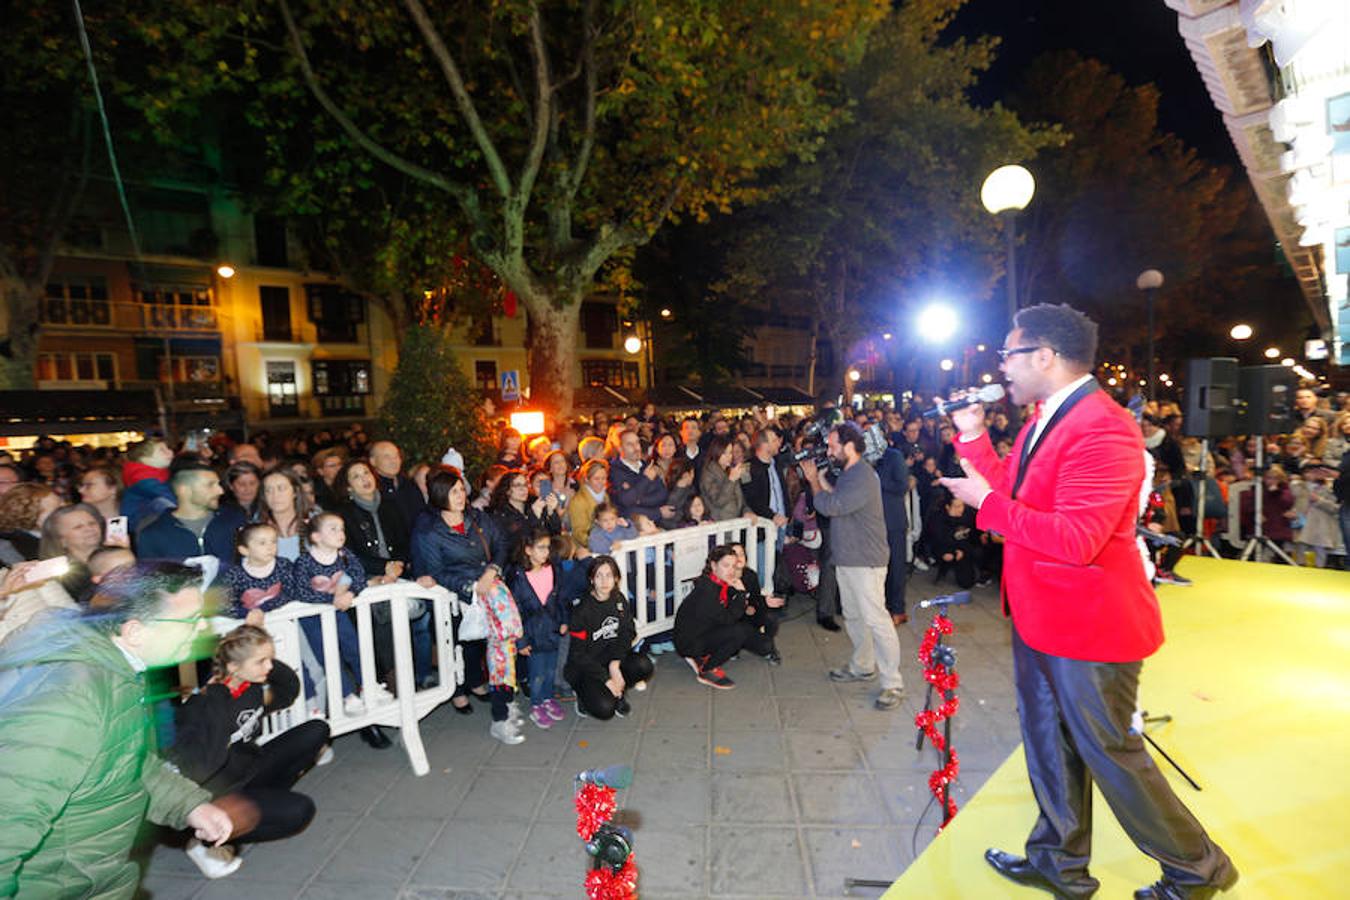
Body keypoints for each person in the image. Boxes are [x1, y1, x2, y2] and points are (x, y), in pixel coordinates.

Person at [938, 303, 1236, 899]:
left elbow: (1077, 538)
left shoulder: (1103, 427)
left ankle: (1199, 869)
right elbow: (1018, 492)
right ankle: (1058, 861)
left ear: (1044, 356)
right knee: (1050, 744)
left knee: (1110, 754)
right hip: (1039, 617)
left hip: (1090, 628)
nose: (1002, 367)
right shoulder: (1045, 417)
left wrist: (985, 506)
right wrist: (972, 438)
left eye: (1008, 354)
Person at [0, 562, 237, 898]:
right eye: (189, 621)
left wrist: (187, 804)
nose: (201, 628)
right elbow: (7, 827)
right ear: (135, 632)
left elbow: (122, 760)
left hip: (91, 878)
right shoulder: (69, 700)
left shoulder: (113, 669)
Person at [167, 625, 329, 879]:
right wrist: (218, 695)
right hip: (218, 793)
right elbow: (203, 766)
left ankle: (262, 804)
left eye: (270, 660)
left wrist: (263, 652)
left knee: (317, 730)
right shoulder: (203, 706)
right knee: (300, 811)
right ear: (233, 667)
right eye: (261, 662)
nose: (269, 668)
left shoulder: (250, 686)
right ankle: (205, 842)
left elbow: (288, 692)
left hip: (248, 769)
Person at [799, 423, 905, 710]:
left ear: (848, 446)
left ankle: (892, 683)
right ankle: (862, 665)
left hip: (866, 561)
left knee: (876, 620)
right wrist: (823, 481)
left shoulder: (862, 475)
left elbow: (832, 506)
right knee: (855, 617)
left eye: (833, 446)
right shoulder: (849, 474)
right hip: (848, 558)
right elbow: (840, 500)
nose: (829, 451)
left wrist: (813, 482)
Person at [410, 468, 509, 720]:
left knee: (477, 641)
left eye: (462, 489)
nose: (461, 495)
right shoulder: (430, 530)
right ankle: (456, 689)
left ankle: (475, 681)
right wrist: (470, 587)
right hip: (455, 597)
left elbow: (501, 544)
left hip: (487, 588)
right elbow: (436, 571)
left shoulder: (477, 518)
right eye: (454, 491)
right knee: (455, 643)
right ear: (440, 494)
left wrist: (492, 570)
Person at [287, 512, 395, 723]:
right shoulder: (304, 562)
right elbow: (301, 591)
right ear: (316, 537)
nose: (340, 533)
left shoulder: (345, 555)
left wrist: (350, 593)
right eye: (333, 529)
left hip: (339, 614)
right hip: (313, 621)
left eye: (342, 529)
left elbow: (358, 577)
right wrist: (331, 599)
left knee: (354, 648)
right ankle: (347, 695)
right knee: (328, 657)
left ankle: (368, 685)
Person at [508, 528, 589, 728]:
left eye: (547, 547)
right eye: (541, 548)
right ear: (528, 550)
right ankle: (537, 704)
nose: (546, 552)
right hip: (532, 633)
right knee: (537, 672)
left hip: (552, 630)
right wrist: (521, 640)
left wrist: (563, 620)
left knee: (552, 669)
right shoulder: (518, 576)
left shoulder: (552, 569)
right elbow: (515, 610)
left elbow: (560, 598)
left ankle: (548, 698)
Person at [673, 546, 779, 689]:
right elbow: (729, 619)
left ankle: (766, 648)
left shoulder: (718, 583)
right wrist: (741, 594)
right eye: (726, 565)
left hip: (704, 631)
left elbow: (732, 613)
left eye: (733, 566)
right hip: (689, 643)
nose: (730, 570)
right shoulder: (707, 590)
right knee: (739, 632)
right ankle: (706, 669)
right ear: (713, 565)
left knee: (758, 641)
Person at [564, 555, 652, 719]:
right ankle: (583, 695)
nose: (604, 581)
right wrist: (606, 679)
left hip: (609, 659)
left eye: (609, 575)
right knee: (605, 709)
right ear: (591, 579)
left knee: (644, 666)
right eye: (599, 576)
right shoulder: (582, 610)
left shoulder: (619, 600)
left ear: (616, 578)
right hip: (587, 667)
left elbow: (628, 632)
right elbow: (578, 655)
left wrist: (615, 664)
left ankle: (618, 691)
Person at [135, 461, 243, 574]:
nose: (220, 491)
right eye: (210, 485)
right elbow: (151, 582)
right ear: (184, 490)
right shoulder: (153, 535)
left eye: (218, 484)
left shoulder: (234, 519)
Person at [609, 429, 672, 524]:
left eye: (637, 443)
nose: (636, 448)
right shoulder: (614, 471)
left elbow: (662, 495)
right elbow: (626, 506)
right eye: (630, 444)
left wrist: (637, 499)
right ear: (620, 448)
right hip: (633, 529)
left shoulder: (647, 465)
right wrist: (646, 479)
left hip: (656, 524)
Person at [699, 434, 750, 522]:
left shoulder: (730, 470)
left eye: (730, 453)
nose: (728, 457)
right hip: (720, 523)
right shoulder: (708, 472)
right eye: (724, 453)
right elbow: (718, 501)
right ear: (716, 452)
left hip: (735, 521)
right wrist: (731, 480)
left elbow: (740, 497)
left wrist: (747, 511)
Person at [569, 458, 611, 553]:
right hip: (587, 549)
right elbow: (579, 532)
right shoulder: (578, 501)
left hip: (606, 544)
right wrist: (599, 544)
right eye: (596, 479)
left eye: (603, 478)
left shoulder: (605, 496)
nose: (601, 482)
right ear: (587, 479)